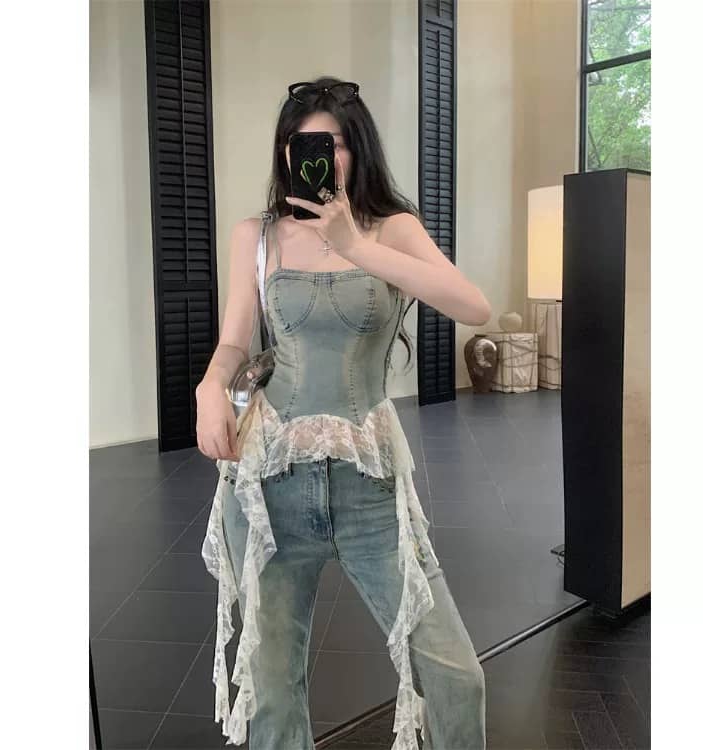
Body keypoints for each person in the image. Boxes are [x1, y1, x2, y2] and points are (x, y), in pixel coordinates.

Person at [196, 76, 492, 750]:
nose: (316, 157)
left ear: (356, 148)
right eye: (299, 143)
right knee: (272, 694)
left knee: (456, 677)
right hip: (269, 484)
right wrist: (210, 385)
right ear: (285, 151)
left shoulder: (393, 230)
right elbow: (234, 341)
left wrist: (356, 245)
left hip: (369, 486)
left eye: (331, 143)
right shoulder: (257, 237)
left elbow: (472, 306)